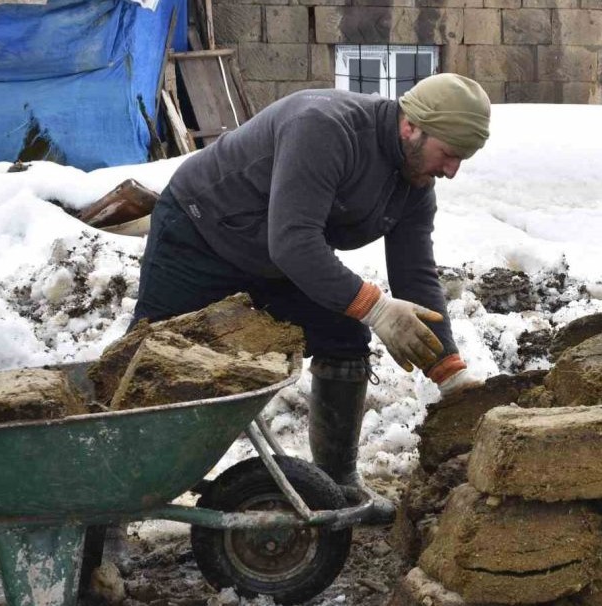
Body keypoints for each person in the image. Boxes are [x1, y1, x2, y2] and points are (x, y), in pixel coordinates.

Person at [133, 73, 490, 493]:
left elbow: (415, 274)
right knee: (148, 361)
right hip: (198, 235)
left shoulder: (414, 183)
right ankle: (110, 500)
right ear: (411, 127)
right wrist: (376, 308)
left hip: (273, 261)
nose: (452, 171)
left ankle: (337, 484)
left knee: (343, 335)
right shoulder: (324, 127)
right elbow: (294, 242)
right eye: (448, 154)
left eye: (461, 159)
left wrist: (449, 371)